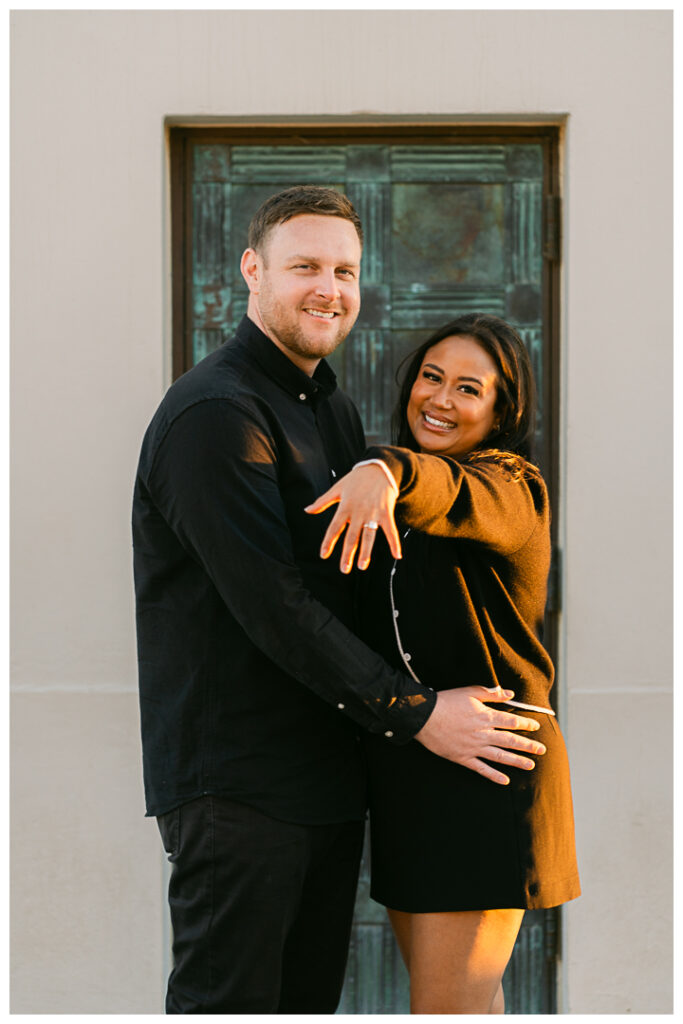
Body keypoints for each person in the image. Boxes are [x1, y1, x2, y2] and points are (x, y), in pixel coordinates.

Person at [132, 189, 547, 1014]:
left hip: (330, 778)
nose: (329, 288)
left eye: (345, 271)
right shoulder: (218, 413)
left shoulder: (333, 413)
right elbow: (271, 603)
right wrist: (417, 711)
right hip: (240, 785)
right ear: (251, 271)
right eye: (305, 267)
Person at [307, 312, 581, 1014]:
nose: (440, 399)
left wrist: (381, 464)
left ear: (500, 410)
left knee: (444, 1009)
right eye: (431, 377)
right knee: (462, 1006)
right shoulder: (389, 509)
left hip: (489, 770)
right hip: (413, 771)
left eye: (468, 388)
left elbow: (450, 490)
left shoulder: (511, 487)